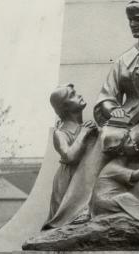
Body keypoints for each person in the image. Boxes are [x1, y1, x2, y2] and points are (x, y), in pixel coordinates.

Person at [43, 84, 97, 229]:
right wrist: (84, 133)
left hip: (85, 178)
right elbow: (69, 156)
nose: (79, 95)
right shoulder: (60, 133)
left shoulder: (88, 126)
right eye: (73, 95)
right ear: (65, 107)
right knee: (67, 223)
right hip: (68, 181)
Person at [91, 131, 139, 220]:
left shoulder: (124, 163)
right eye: (129, 141)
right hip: (105, 202)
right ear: (121, 152)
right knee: (126, 197)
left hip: (120, 196)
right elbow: (135, 175)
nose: (134, 142)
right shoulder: (113, 167)